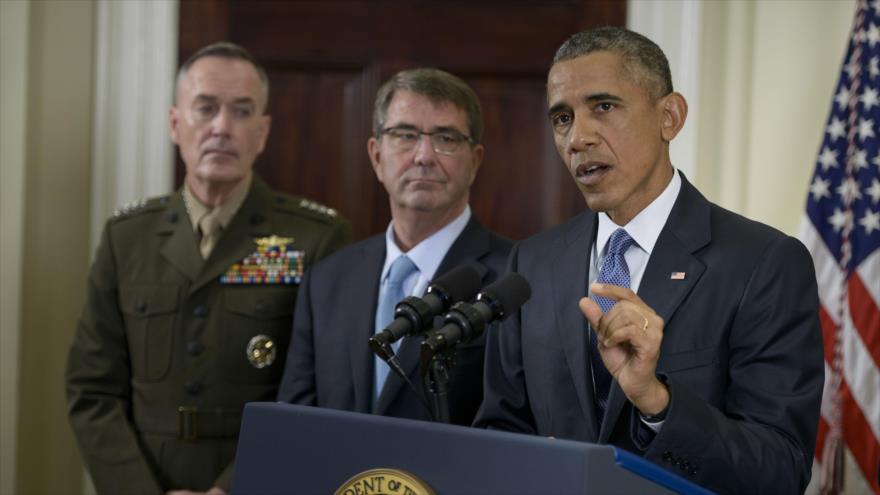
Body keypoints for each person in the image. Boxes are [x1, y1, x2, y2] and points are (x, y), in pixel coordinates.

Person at [473, 27, 824, 494]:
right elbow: (501, 435)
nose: (578, 138)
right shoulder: (531, 264)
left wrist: (657, 403)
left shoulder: (763, 263)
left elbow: (781, 469)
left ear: (670, 117)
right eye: (562, 118)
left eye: (604, 107)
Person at [65, 42, 351, 495]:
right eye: (206, 108)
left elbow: (318, 393)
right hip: (144, 478)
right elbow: (92, 390)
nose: (222, 127)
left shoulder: (316, 239)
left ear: (263, 131)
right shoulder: (128, 237)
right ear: (175, 124)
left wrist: (231, 489)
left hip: (261, 481)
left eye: (242, 111)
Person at [277, 68, 511, 425]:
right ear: (376, 155)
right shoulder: (326, 282)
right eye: (405, 135)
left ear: (475, 161)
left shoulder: (511, 276)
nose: (424, 156)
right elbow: (294, 423)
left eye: (446, 138)